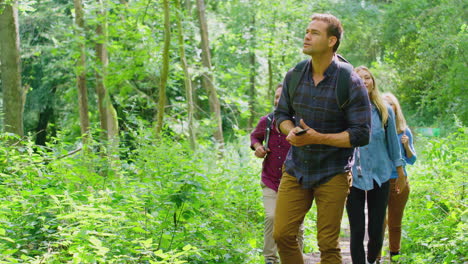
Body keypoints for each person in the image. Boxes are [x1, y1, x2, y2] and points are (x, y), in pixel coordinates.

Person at [273, 13, 372, 264]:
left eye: (314, 33)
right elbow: (281, 115)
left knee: (328, 244)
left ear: (331, 41)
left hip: (333, 172)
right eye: (307, 31)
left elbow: (361, 134)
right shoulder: (294, 75)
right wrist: (290, 131)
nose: (307, 36)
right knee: (282, 234)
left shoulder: (350, 81)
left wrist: (319, 138)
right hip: (296, 169)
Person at [346, 66, 406, 264]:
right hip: (352, 176)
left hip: (380, 174)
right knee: (357, 228)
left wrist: (400, 172)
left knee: (376, 228)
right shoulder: (345, 111)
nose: (364, 81)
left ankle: (372, 259)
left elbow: (394, 146)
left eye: (367, 78)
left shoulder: (384, 111)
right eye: (359, 78)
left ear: (373, 82)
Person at [250, 84, 305, 264]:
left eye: (282, 97)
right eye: (276, 97)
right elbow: (255, 137)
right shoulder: (267, 120)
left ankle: (295, 258)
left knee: (295, 224)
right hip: (270, 179)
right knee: (271, 216)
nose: (277, 101)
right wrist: (258, 147)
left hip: (295, 180)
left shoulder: (301, 123)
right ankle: (270, 258)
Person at [381, 92, 416, 259]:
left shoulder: (404, 131)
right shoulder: (377, 129)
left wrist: (407, 145)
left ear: (396, 107)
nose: (389, 107)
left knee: (395, 223)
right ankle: (375, 257)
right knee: (379, 222)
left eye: (392, 103)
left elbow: (412, 160)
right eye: (385, 103)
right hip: (380, 180)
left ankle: (395, 256)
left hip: (399, 180)